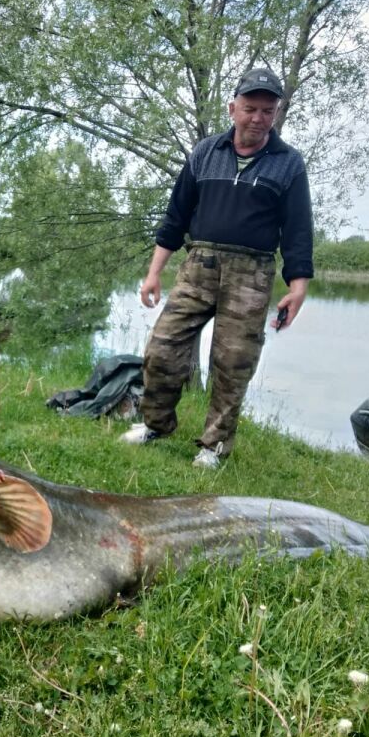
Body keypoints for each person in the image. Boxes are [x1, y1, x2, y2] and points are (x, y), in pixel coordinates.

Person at [121, 67, 314, 468]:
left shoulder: (288, 164)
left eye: (267, 110)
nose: (258, 118)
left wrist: (298, 287)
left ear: (275, 114)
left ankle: (214, 447)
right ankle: (156, 424)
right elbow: (176, 216)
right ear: (233, 109)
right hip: (198, 265)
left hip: (252, 274)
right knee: (162, 347)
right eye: (250, 109)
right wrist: (155, 271)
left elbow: (298, 230)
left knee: (233, 363)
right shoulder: (205, 152)